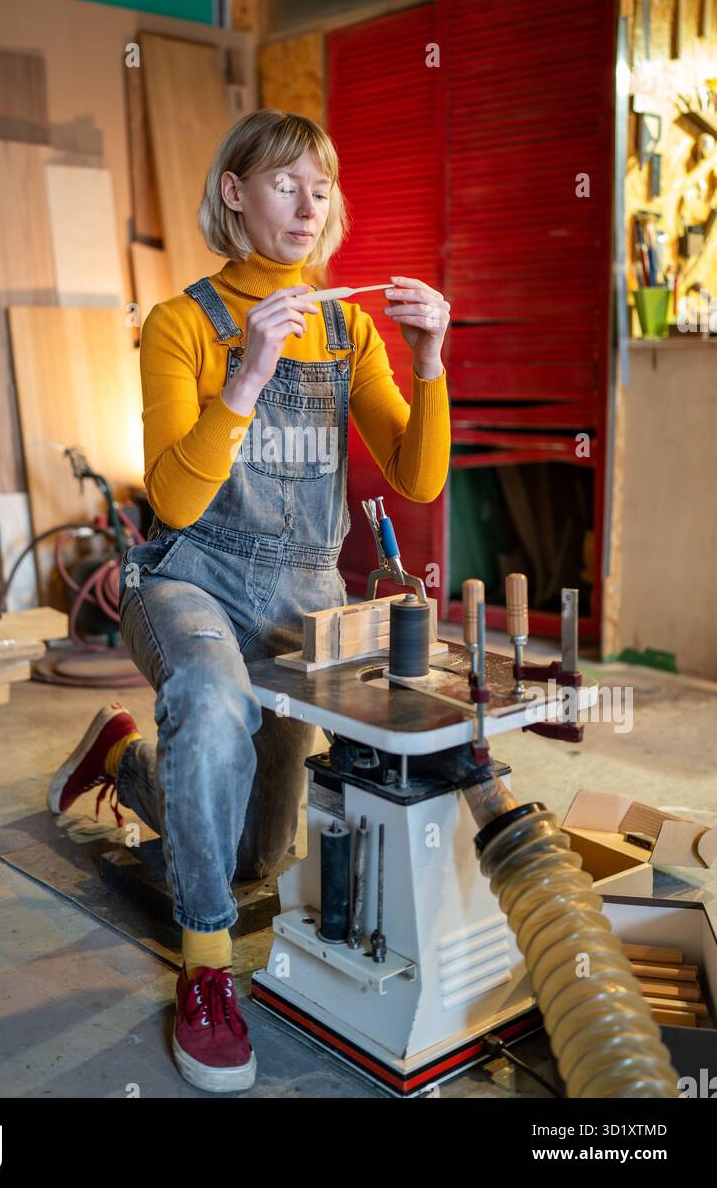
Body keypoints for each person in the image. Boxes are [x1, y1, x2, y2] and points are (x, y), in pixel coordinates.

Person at [48, 108, 451, 1092]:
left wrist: (430, 356)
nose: (308, 204)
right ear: (233, 193)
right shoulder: (180, 323)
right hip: (186, 576)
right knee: (214, 706)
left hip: (301, 590)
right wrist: (247, 376)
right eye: (283, 183)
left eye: (321, 186)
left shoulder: (346, 325)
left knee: (252, 855)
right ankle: (205, 980)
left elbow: (415, 476)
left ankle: (128, 760)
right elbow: (173, 495)